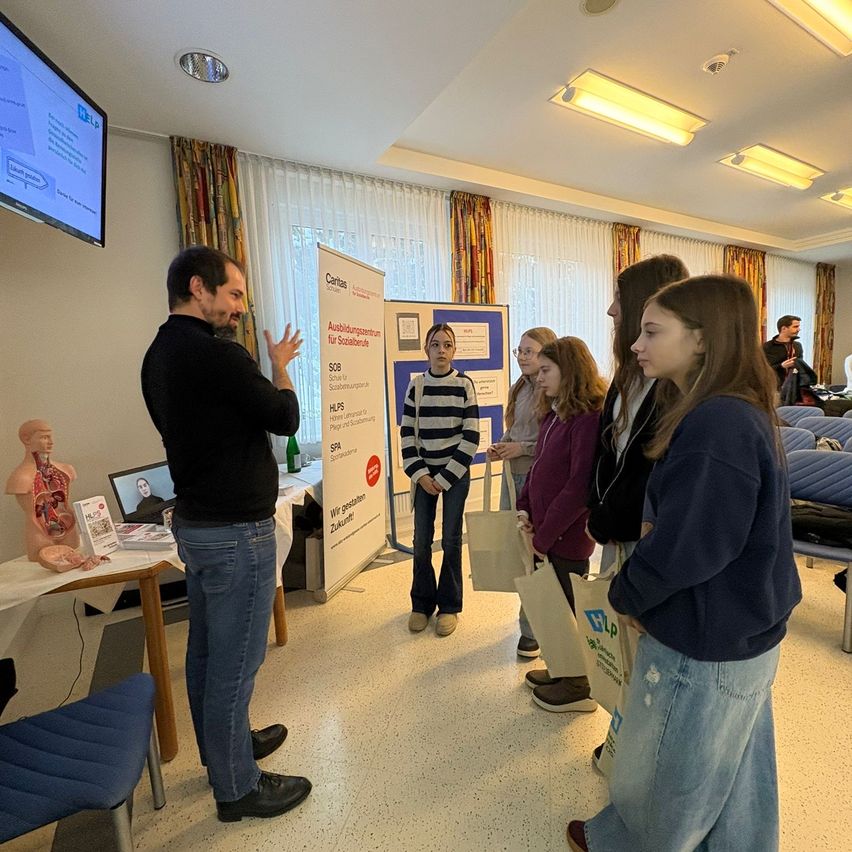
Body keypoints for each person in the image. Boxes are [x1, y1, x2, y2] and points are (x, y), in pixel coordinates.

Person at [567, 275, 802, 852]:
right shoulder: (727, 410)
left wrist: (627, 594)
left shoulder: (717, 422)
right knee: (736, 762)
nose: (636, 344)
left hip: (709, 631)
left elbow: (692, 544)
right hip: (741, 624)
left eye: (652, 331)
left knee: (670, 768)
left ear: (701, 339)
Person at [141, 246, 311, 823]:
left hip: (197, 527)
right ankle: (237, 788)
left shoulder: (158, 356)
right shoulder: (220, 356)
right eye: (234, 294)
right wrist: (280, 366)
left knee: (209, 655)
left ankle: (225, 753)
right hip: (237, 533)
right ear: (199, 288)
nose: (240, 306)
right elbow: (284, 417)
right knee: (236, 662)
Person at [583, 254, 688, 767]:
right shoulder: (628, 377)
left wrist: (612, 519)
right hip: (617, 535)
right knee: (618, 647)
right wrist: (594, 511)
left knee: (645, 652)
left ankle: (637, 750)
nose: (609, 311)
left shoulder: (679, 392)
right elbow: (606, 455)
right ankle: (623, 736)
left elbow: (650, 479)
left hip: (643, 541)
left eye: (619, 303)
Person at [515, 336, 606, 712]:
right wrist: (523, 509)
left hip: (564, 540)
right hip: (543, 535)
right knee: (550, 609)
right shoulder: (555, 414)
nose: (539, 376)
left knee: (569, 611)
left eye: (547, 370)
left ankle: (579, 685)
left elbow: (578, 485)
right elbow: (538, 469)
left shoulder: (587, 419)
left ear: (569, 372)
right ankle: (561, 667)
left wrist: (547, 534)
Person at [401, 323, 479, 637]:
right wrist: (421, 475)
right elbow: (407, 434)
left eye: (448, 345)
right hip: (423, 477)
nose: (442, 350)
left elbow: (471, 436)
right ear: (427, 350)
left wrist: (444, 478)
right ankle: (421, 604)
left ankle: (449, 606)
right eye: (436, 344)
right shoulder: (416, 386)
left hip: (454, 476)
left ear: (454, 350)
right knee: (421, 542)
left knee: (450, 541)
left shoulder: (464, 384)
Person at [487, 326, 557, 659]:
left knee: (535, 556)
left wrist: (521, 448)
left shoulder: (552, 391)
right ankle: (530, 624)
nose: (522, 357)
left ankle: (532, 631)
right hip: (512, 478)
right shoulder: (520, 388)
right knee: (520, 554)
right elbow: (516, 429)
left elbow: (549, 443)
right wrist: (502, 444)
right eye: (519, 351)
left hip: (534, 479)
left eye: (529, 351)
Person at [5, 419, 80, 560]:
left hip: (69, 529)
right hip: (39, 532)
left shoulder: (66, 470)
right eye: (44, 437)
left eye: (51, 437)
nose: (51, 442)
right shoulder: (20, 478)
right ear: (27, 439)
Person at [763, 314, 818, 396]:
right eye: (795, 327)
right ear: (784, 328)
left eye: (798, 326)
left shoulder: (797, 346)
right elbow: (762, 370)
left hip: (794, 390)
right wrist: (781, 366)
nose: (799, 329)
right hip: (773, 390)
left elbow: (801, 367)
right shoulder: (767, 347)